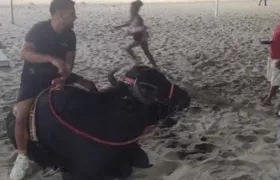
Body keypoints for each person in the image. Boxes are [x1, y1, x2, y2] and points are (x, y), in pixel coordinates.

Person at [9, 0, 96, 180]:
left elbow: (69, 64)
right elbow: (24, 53)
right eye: (72, 13)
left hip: (56, 78)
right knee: (22, 117)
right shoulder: (39, 30)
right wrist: (51, 59)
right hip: (32, 80)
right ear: (60, 14)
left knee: (84, 94)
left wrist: (63, 78)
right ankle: (22, 156)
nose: (75, 17)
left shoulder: (70, 35)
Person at [115, 0, 157, 68]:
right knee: (146, 52)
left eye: (132, 8)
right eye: (131, 8)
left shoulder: (138, 17)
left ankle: (138, 60)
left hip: (140, 37)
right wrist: (119, 26)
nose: (130, 9)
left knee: (128, 48)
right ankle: (154, 65)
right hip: (139, 36)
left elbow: (141, 28)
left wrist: (132, 32)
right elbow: (129, 24)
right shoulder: (133, 16)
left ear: (135, 9)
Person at [260, 24, 280, 106]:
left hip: (278, 59)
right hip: (272, 55)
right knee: (272, 77)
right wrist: (269, 41)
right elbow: (276, 38)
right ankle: (273, 94)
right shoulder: (278, 25)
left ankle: (269, 99)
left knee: (276, 79)